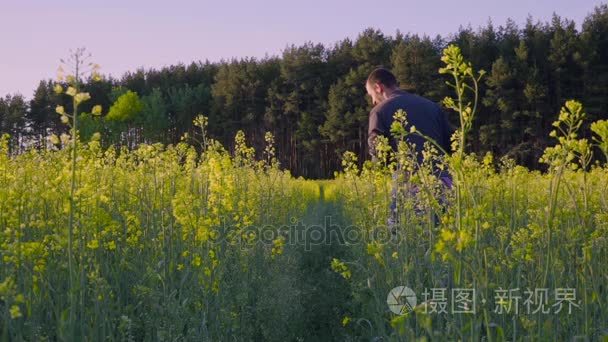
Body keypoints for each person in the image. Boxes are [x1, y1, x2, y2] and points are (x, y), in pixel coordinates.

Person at [365, 67, 454, 230]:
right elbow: (452, 145)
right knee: (443, 238)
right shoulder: (432, 106)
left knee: (401, 237)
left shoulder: (380, 111)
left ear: (378, 87)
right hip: (444, 182)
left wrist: (381, 170)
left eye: (371, 94)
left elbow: (377, 150)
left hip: (409, 185)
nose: (373, 101)